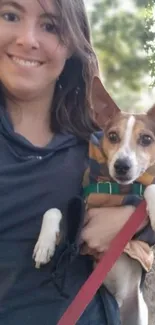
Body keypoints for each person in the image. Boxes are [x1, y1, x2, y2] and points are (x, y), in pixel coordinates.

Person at [0, 0, 153, 324]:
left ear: (73, 43)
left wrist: (135, 217)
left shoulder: (91, 145)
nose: (28, 39)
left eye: (50, 25)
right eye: (10, 15)